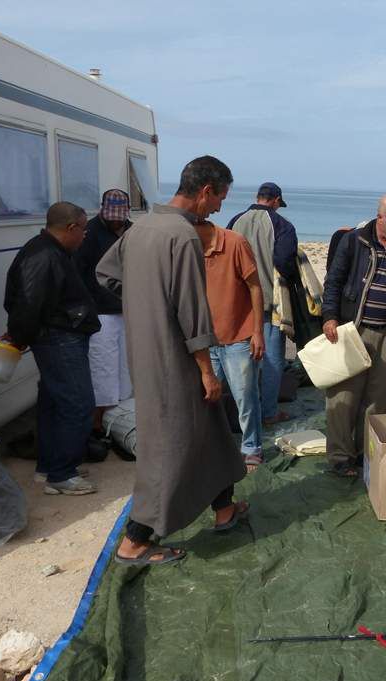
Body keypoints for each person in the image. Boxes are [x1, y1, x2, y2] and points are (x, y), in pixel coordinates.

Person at [97, 156, 247, 565]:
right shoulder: (182, 236)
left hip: (145, 351)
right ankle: (135, 539)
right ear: (204, 192)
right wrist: (206, 371)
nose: (218, 209)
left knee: (211, 430)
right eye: (218, 199)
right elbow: (192, 314)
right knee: (170, 444)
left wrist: (144, 304)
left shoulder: (140, 226)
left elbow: (105, 274)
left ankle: (225, 508)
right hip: (174, 359)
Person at [3, 202, 100, 495]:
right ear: (71, 228)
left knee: (53, 403)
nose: (85, 236)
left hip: (59, 337)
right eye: (83, 230)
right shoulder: (44, 255)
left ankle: (49, 466)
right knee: (78, 404)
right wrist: (19, 338)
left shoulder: (49, 250)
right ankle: (61, 474)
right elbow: (26, 303)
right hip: (59, 340)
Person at [321, 194, 386, 476]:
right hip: (351, 329)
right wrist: (329, 317)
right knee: (343, 398)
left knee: (377, 400)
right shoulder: (354, 241)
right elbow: (334, 281)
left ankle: (365, 455)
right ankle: (339, 458)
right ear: (380, 217)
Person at [195, 220, 266, 470]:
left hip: (238, 337)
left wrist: (257, 331)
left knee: (245, 397)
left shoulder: (235, 243)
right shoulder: (188, 249)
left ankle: (252, 447)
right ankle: (214, 447)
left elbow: (256, 287)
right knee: (207, 397)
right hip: (205, 340)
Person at [227, 182, 299, 425]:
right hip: (269, 303)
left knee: (239, 360)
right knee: (271, 359)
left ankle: (239, 413)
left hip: (237, 302)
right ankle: (268, 412)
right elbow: (284, 262)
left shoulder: (235, 221)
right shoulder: (283, 226)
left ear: (257, 197)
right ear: (276, 200)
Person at [74, 189, 133, 437]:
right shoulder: (90, 233)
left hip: (127, 309)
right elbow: (77, 272)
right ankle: (96, 425)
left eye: (120, 216)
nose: (116, 221)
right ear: (103, 209)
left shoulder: (133, 230)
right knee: (102, 370)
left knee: (125, 369)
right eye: (112, 216)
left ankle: (120, 422)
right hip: (100, 314)